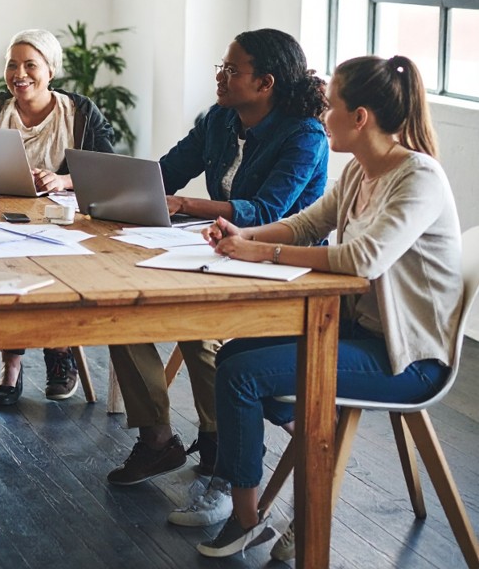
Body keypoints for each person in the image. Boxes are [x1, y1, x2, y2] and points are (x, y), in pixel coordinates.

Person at [196, 55, 462, 559]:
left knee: (243, 378)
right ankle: (310, 455)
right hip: (357, 338)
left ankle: (248, 517)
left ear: (359, 117)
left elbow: (363, 256)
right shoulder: (361, 173)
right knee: (232, 357)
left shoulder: (418, 178)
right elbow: (304, 224)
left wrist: (263, 252)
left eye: (331, 106)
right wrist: (244, 234)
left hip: (409, 362)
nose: (322, 118)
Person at [107, 28, 329, 528]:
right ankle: (158, 439)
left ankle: (218, 453)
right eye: (221, 67)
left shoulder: (304, 135)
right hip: (218, 249)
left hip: (280, 263)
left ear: (265, 82)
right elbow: (166, 171)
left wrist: (185, 204)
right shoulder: (219, 120)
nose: (220, 78)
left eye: (232, 70)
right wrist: (106, 188)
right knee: (118, 309)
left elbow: (267, 209)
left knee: (199, 327)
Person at [0, 28, 115, 405]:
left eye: (31, 65)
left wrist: (64, 180)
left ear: (51, 71)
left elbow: (110, 170)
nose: (20, 74)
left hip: (61, 222)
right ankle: (12, 365)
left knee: (55, 264)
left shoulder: (80, 112)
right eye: (12, 65)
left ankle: (58, 351)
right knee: (7, 266)